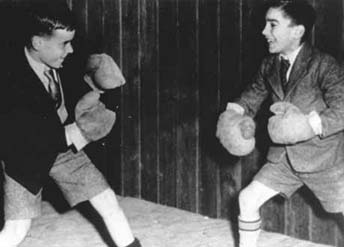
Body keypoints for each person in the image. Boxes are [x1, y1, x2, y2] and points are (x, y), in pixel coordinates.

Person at [0, 2, 141, 247]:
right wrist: (81, 130)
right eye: (64, 43)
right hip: (24, 158)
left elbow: (83, 77)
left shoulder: (63, 58)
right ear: (37, 43)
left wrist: (99, 83)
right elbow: (29, 137)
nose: (71, 49)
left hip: (65, 150)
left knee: (107, 200)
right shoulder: (11, 82)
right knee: (17, 229)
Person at [219, 1, 344, 246]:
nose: (264, 31)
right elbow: (252, 95)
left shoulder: (323, 64)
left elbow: (342, 107)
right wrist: (233, 114)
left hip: (323, 160)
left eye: (272, 25)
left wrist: (310, 125)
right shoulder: (270, 64)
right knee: (247, 199)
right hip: (284, 159)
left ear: (297, 31)